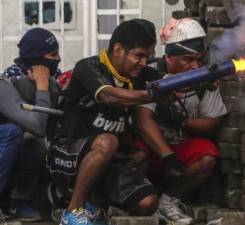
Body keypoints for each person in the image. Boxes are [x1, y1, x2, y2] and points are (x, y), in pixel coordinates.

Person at [46, 19, 161, 225]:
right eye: (139, 56)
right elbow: (111, 97)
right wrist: (154, 95)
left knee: (148, 202)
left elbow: (171, 78)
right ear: (118, 49)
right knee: (108, 141)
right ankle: (72, 212)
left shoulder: (141, 74)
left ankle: (99, 208)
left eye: (148, 56)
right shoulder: (88, 67)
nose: (144, 62)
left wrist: (201, 81)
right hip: (66, 156)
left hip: (107, 160)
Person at [135, 18, 228, 225]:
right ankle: (133, 200)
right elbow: (143, 120)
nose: (194, 66)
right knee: (135, 154)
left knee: (207, 154)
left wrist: (184, 121)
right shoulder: (150, 74)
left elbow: (213, 123)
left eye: (199, 59)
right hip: (151, 152)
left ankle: (167, 201)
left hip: (178, 153)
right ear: (169, 57)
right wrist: (166, 155)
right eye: (187, 59)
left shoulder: (204, 78)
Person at [0, 27, 61, 222]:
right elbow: (37, 126)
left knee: (35, 146)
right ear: (36, 59)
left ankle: (17, 202)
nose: (58, 59)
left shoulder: (53, 80)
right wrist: (42, 87)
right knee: (13, 132)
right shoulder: (7, 82)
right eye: (53, 54)